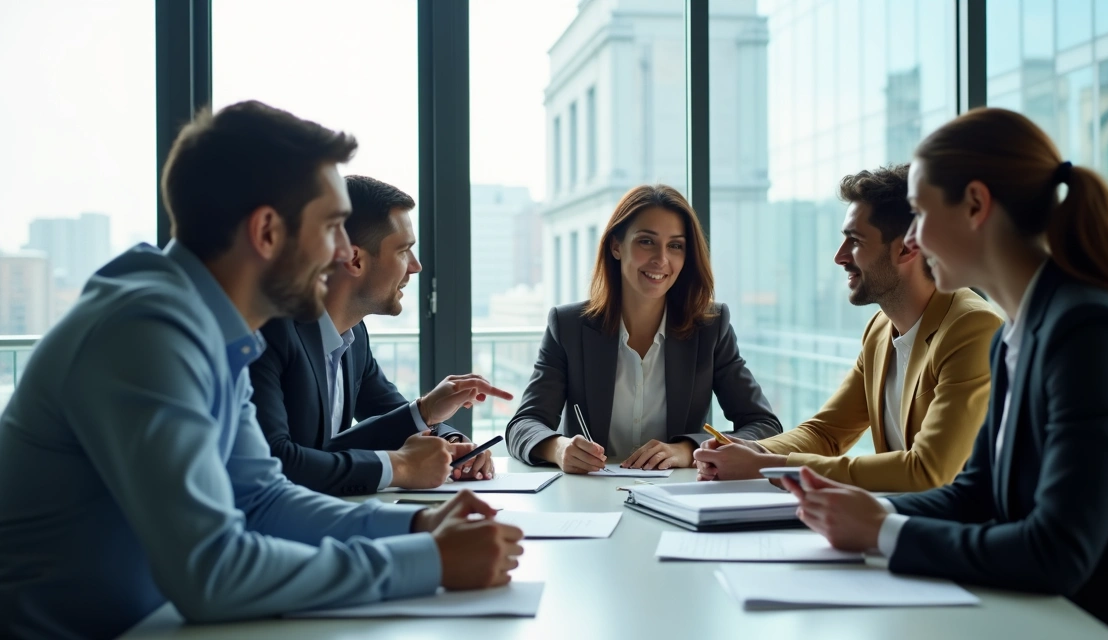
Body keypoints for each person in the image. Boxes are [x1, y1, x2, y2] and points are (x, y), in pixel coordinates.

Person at [0, 101, 523, 639]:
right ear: (268, 232)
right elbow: (213, 573)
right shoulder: (146, 331)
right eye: (333, 227)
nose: (345, 253)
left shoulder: (218, 330)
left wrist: (417, 524)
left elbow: (262, 499)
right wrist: (428, 562)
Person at [781, 108, 1108, 639]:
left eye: (918, 213)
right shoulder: (1018, 330)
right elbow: (975, 494)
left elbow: (1057, 550)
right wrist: (848, 510)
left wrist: (883, 531)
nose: (912, 239)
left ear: (975, 205)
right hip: (1058, 618)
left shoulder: (1089, 332)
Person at [694, 166, 1002, 492]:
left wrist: (768, 465)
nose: (839, 257)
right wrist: (753, 450)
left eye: (854, 241)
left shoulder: (972, 329)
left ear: (907, 247)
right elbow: (827, 433)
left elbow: (928, 471)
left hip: (957, 533)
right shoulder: (881, 330)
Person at [250, 175, 510, 496]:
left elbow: (385, 417)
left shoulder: (353, 334)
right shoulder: (269, 332)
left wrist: (449, 440)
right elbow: (278, 461)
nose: (416, 267)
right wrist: (399, 466)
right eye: (403, 251)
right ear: (355, 259)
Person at [505, 184, 781, 473]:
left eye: (675, 246)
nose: (661, 259)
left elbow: (764, 426)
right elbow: (524, 425)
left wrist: (689, 450)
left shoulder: (710, 327)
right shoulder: (569, 326)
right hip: (590, 495)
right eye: (646, 241)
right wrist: (559, 448)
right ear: (616, 246)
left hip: (675, 497)